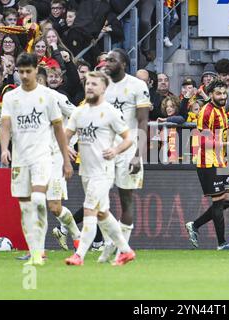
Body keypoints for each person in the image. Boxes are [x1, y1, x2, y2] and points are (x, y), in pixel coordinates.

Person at [0, 52, 73, 266]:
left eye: (28, 71)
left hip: (43, 156)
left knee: (40, 200)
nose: (24, 75)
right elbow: (5, 125)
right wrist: (4, 149)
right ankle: (34, 251)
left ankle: (39, 252)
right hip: (20, 159)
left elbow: (59, 128)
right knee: (25, 207)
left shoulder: (48, 96)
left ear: (35, 71)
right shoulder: (11, 97)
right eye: (20, 71)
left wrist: (66, 159)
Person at [64, 71, 135, 266]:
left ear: (104, 88)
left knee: (90, 209)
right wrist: (66, 149)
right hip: (86, 171)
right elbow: (65, 135)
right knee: (102, 213)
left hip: (103, 172)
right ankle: (126, 251)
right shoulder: (79, 112)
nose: (89, 87)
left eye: (94, 84)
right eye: (87, 84)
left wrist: (115, 149)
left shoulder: (110, 112)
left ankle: (79, 255)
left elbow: (129, 138)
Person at [97, 48, 151, 262]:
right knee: (98, 200)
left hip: (128, 149)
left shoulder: (137, 86)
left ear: (124, 64)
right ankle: (115, 242)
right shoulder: (101, 84)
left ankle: (120, 250)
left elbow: (143, 122)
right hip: (103, 150)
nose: (107, 63)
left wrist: (139, 154)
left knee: (126, 199)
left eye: (112, 60)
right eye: (106, 59)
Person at [185, 79, 229, 250]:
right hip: (208, 161)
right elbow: (202, 141)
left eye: (224, 93)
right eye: (219, 93)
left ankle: (195, 225)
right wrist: (227, 145)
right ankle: (222, 243)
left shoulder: (221, 110)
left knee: (228, 200)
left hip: (221, 160)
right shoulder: (206, 112)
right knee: (218, 201)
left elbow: (220, 135)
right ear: (210, 95)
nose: (223, 96)